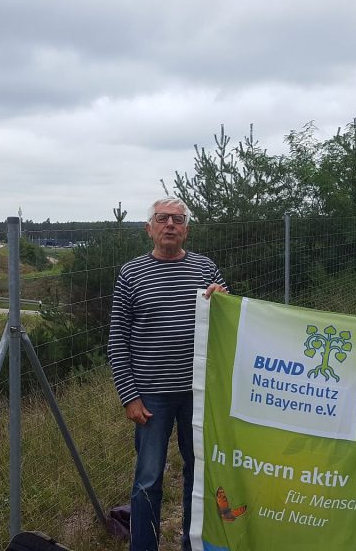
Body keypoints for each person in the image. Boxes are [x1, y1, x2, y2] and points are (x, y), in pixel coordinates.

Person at [108, 196, 227, 551]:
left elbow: (230, 321)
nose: (170, 225)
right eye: (163, 218)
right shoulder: (131, 274)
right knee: (147, 480)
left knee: (198, 476)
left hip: (199, 394)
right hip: (151, 397)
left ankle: (193, 544)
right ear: (150, 229)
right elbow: (117, 341)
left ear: (187, 229)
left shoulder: (206, 268)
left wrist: (223, 298)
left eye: (178, 219)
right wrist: (129, 396)